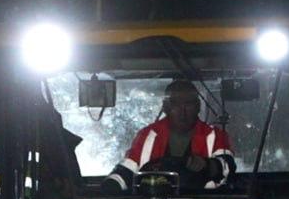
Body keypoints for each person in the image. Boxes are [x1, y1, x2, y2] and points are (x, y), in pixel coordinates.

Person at [101, 79, 236, 193]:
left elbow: (227, 166)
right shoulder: (147, 135)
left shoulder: (214, 135)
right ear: (165, 107)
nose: (182, 111)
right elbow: (127, 169)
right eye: (175, 104)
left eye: (188, 104)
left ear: (198, 106)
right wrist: (111, 185)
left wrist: (208, 165)